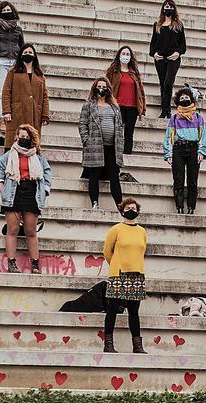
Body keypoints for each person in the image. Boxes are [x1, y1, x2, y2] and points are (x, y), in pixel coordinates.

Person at [0, 124, 53, 274]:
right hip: (13, 192)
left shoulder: (38, 157)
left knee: (31, 230)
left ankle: (35, 263)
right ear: (16, 137)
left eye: (27, 137)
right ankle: (12, 263)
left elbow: (47, 175)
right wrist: (3, 190)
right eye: (21, 136)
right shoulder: (8, 156)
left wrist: (44, 191)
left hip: (32, 192)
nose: (24, 139)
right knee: (12, 229)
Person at [103, 197, 148, 354]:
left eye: (134, 208)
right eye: (128, 208)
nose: (131, 211)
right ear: (122, 210)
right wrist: (115, 264)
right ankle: (108, 344)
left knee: (134, 312)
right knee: (112, 309)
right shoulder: (116, 229)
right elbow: (107, 251)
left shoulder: (142, 231)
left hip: (137, 275)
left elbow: (142, 250)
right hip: (119, 274)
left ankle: (137, 345)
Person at [79, 79, 126, 211]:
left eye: (104, 86)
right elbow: (82, 124)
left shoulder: (114, 106)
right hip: (95, 146)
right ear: (94, 88)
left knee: (114, 177)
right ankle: (94, 203)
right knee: (94, 174)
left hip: (112, 147)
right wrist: (86, 140)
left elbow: (120, 125)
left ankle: (120, 205)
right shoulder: (88, 106)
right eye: (99, 86)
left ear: (108, 89)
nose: (101, 89)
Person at [162, 87, 206, 214]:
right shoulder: (174, 118)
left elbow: (203, 136)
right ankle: (179, 206)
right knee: (178, 179)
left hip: (193, 148)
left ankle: (191, 207)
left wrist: (202, 152)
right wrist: (168, 153)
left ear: (191, 99)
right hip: (178, 148)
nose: (184, 99)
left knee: (192, 180)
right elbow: (168, 136)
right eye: (181, 98)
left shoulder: (198, 117)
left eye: (186, 97)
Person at [0, 2, 24, 143]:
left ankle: (13, 119)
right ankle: (1, 118)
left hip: (15, 62)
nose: (7, 12)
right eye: (4, 10)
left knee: (15, 93)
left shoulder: (18, 29)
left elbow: (22, 46)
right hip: (1, 60)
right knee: (0, 91)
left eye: (9, 10)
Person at [1, 44, 49, 147]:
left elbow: (45, 96)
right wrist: (6, 111)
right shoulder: (13, 72)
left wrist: (45, 115)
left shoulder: (40, 75)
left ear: (34, 56)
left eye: (30, 52)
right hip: (16, 112)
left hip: (35, 113)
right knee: (14, 140)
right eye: (25, 52)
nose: (28, 54)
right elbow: (6, 92)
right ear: (21, 55)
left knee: (31, 141)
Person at [105, 46, 147, 155]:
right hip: (117, 106)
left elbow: (140, 91)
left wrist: (142, 109)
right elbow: (106, 87)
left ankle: (127, 154)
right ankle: (113, 153)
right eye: (123, 54)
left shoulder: (134, 73)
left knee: (129, 133)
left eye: (128, 54)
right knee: (115, 132)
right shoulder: (112, 71)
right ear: (119, 55)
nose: (125, 56)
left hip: (132, 107)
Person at [149, 0, 187, 118]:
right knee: (162, 83)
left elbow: (183, 45)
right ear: (163, 8)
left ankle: (168, 110)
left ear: (173, 9)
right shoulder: (158, 25)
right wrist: (154, 54)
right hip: (160, 58)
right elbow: (153, 43)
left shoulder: (178, 25)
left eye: (170, 6)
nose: (168, 8)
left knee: (168, 83)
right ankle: (164, 110)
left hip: (173, 58)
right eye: (166, 6)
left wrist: (178, 53)